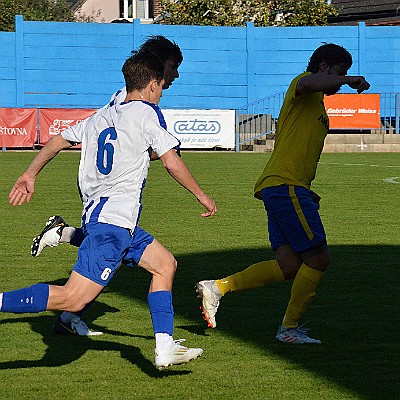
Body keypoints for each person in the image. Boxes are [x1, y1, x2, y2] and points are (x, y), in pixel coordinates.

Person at [7, 51, 217, 369]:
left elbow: (56, 141)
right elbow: (172, 159)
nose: (162, 90)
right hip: (114, 222)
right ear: (151, 85)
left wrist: (29, 173)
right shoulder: (145, 114)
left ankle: (165, 346)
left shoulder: (101, 115)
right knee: (73, 298)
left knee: (165, 264)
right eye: (161, 84)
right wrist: (201, 195)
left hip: (104, 216)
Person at [196, 43, 370, 344]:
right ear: (325, 66)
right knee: (318, 258)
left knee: (289, 266)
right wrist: (345, 80)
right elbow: (308, 82)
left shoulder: (317, 104)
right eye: (340, 72)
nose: (342, 80)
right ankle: (289, 329)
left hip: (286, 187)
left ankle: (218, 287)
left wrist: (305, 189)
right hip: (285, 186)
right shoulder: (304, 84)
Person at [28, 34, 184, 338]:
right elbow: (157, 154)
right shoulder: (144, 109)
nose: (176, 74)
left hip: (99, 192)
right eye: (173, 67)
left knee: (127, 253)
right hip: (112, 196)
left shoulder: (119, 97)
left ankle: (63, 240)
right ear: (158, 68)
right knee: (114, 248)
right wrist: (167, 151)